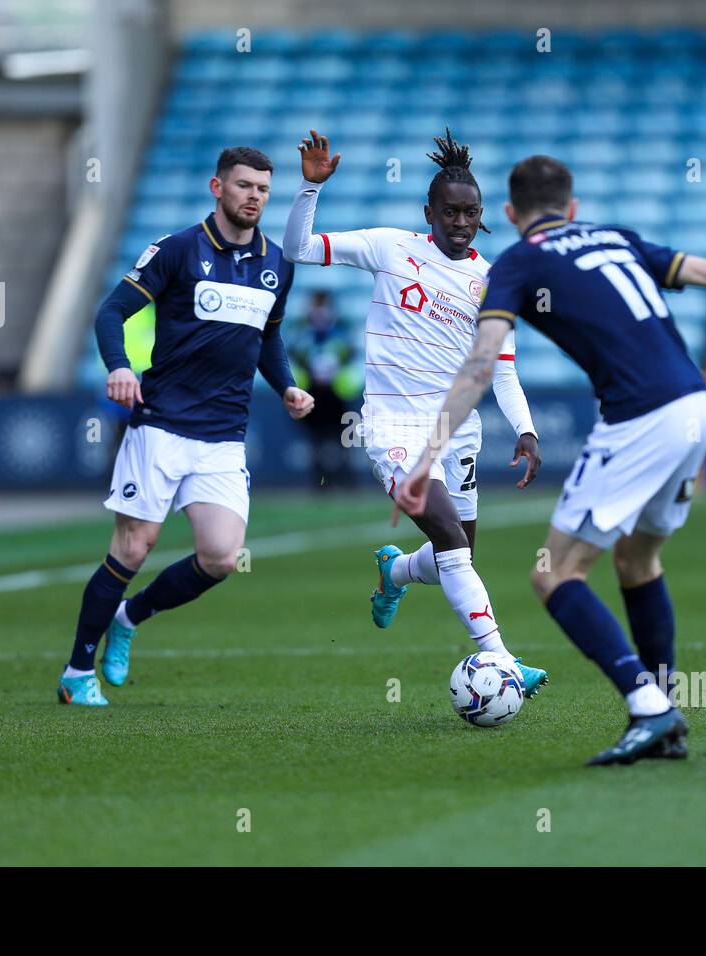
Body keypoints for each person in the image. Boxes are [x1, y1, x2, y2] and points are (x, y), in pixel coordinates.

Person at [395, 155, 706, 764]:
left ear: (509, 214)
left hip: (639, 416)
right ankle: (661, 712)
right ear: (573, 209)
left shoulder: (518, 262)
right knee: (637, 560)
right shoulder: (617, 238)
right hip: (695, 405)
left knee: (554, 574)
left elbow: (481, 364)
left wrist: (428, 454)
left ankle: (649, 707)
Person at [283, 129, 548, 697]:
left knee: (460, 550)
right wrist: (309, 187)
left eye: (470, 212)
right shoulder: (390, 247)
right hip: (395, 429)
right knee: (452, 543)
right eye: (450, 211)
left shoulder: (492, 282)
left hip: (460, 433)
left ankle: (397, 570)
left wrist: (524, 429)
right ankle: (501, 661)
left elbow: (500, 368)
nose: (459, 221)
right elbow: (296, 250)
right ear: (429, 211)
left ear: (481, 217)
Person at [57, 146, 315, 706]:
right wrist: (120, 366)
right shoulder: (178, 249)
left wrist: (288, 384)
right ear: (217, 187)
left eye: (263, 189)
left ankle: (129, 618)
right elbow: (110, 312)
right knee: (133, 548)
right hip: (162, 425)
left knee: (222, 556)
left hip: (223, 434)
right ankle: (78, 672)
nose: (254, 197)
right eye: (244, 185)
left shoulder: (278, 263)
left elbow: (267, 336)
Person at [288, 290, 362, 488]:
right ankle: (319, 481)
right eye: (316, 305)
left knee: (342, 439)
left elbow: (351, 355)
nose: (320, 311)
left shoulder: (341, 331)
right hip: (311, 391)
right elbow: (293, 356)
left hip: (337, 392)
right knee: (316, 439)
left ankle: (346, 480)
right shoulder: (301, 333)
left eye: (323, 305)